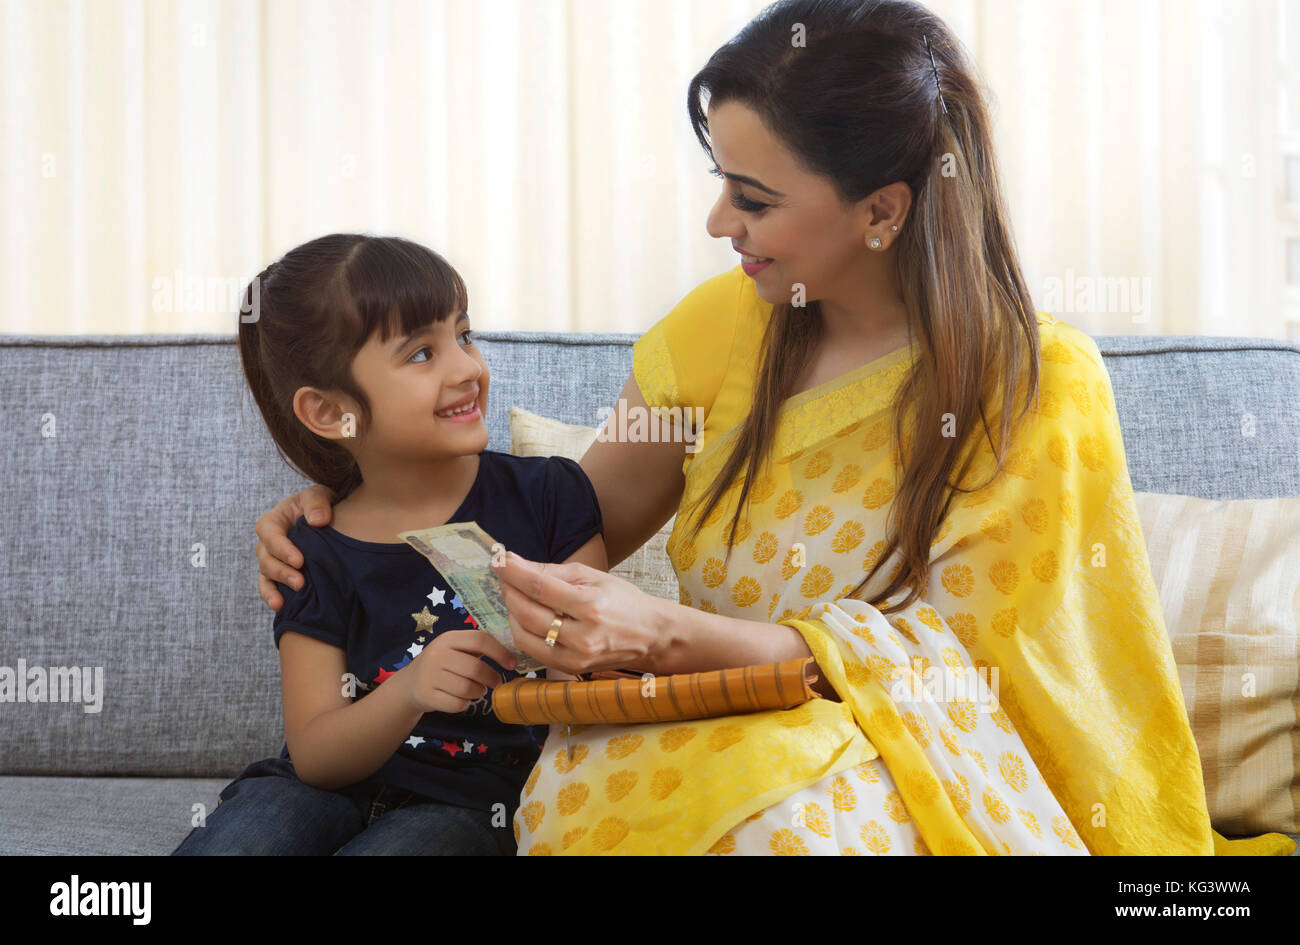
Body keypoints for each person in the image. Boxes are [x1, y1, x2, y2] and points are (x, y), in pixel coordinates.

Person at [252, 0, 1296, 856]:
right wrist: (345, 504)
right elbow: (570, 512)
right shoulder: (719, 332)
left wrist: (679, 634)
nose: (717, 224)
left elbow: (991, 668)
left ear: (882, 211)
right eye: (719, 182)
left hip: (917, 753)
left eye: (751, 196)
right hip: (695, 728)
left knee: (787, 827)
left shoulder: (1031, 381)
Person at [173, 234, 605, 855]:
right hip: (317, 789)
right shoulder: (312, 548)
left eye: (463, 334)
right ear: (328, 412)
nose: (466, 368)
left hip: (472, 801)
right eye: (422, 354)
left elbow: (589, 680)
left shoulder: (550, 498)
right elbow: (317, 755)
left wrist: (554, 642)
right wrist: (409, 689)